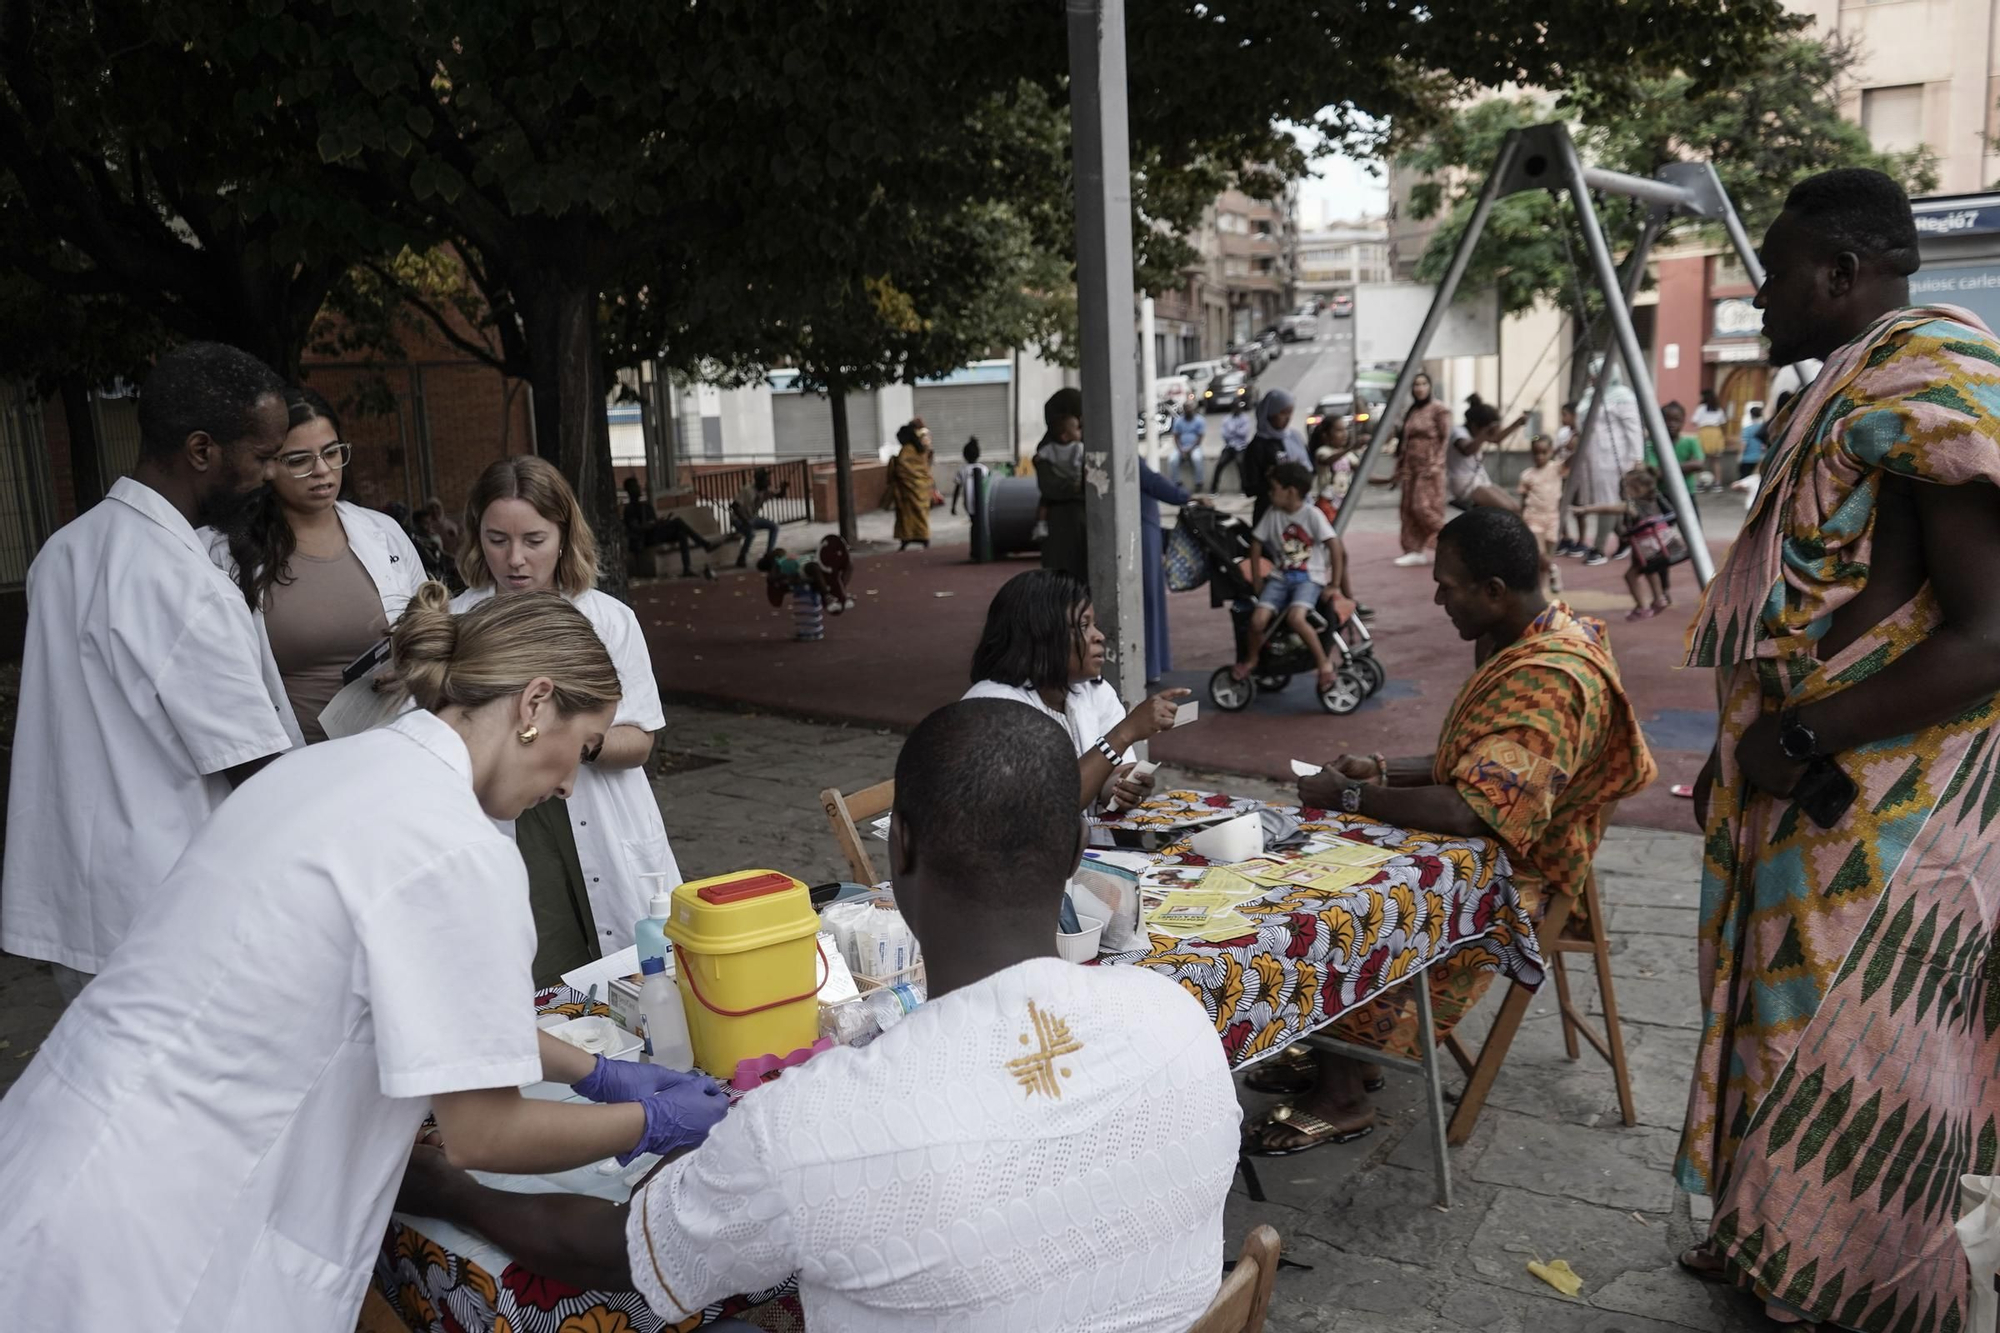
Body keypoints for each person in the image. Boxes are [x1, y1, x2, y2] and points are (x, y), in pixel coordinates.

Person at [0, 586, 727, 1333]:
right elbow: (486, 1132)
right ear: (535, 703)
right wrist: (646, 1118)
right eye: (576, 749)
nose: (570, 781)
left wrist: (595, 1072)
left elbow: (441, 1008)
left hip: (56, 1151)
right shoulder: (456, 845)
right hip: (160, 1232)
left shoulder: (326, 770)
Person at [395, 701, 1242, 1328]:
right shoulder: (1178, 1020)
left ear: (897, 851)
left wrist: (444, 1188)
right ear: (1072, 850)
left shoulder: (814, 1124)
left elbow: (610, 1252)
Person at [1677, 167, 2000, 1333]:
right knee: (1780, 1037)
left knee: (1866, 1064)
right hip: (1810, 792)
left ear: (1838, 271)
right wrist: (1753, 746)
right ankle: (1771, 1242)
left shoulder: (1932, 384)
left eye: (1773, 269)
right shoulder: (1854, 387)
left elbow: (1984, 636)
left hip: (1887, 816)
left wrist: (1796, 732)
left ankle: (1857, 1290)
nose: (1758, 293)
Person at [1244, 509, 1654, 1153]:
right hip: (1498, 839)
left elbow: (1479, 810)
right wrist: (1381, 770)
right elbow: (1485, 768)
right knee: (1325, 852)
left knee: (1350, 896)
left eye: (1447, 586)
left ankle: (1343, 1090)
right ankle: (1345, 1049)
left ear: (1494, 591)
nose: (1437, 599)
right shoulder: (1543, 635)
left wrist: (1354, 793)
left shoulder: (1549, 678)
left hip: (1521, 871)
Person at [1, 341, 293, 1001]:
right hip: (168, 912)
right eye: (265, 456)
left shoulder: (64, 550)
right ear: (201, 451)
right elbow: (256, 768)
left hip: (85, 902)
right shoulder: (182, 580)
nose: (273, 474)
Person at [456, 456, 679, 980]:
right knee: (538, 977)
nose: (514, 560)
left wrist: (572, 744)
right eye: (497, 539)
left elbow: (641, 740)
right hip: (504, 821)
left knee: (637, 978)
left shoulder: (609, 620)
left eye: (534, 540)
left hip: (599, 810)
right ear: (475, 536)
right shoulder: (456, 625)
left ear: (563, 535)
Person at [208, 386, 427, 746]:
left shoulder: (383, 532)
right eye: (299, 460)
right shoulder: (225, 552)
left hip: (393, 746)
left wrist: (419, 673)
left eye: (332, 453)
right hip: (293, 762)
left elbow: (433, 630)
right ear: (266, 466)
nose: (322, 470)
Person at [965, 569, 1188, 812]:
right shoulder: (994, 706)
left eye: (1094, 625)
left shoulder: (1094, 691)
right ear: (1041, 636)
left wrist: (1122, 786)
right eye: (1083, 626)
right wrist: (1124, 734)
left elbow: (1107, 779)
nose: (1099, 636)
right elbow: (1051, 807)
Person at [1231, 461, 1341, 692]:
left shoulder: (1312, 515)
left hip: (1309, 578)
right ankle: (1252, 659)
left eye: (1274, 488)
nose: (1270, 494)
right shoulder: (1273, 514)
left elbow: (1335, 546)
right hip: (1280, 577)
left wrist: (1334, 583)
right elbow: (1256, 544)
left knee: (1296, 618)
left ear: (1290, 491)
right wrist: (1258, 580)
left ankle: (1324, 664)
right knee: (1257, 620)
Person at [1577, 467, 1676, 620]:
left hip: (1647, 548)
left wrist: (1585, 510)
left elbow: (1608, 508)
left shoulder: (1633, 505)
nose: (1621, 492)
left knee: (1630, 576)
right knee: (1651, 569)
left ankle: (1642, 607)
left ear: (1635, 490)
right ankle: (1659, 598)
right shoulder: (1654, 500)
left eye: (1623, 488)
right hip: (1662, 545)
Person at [1569, 378, 1647, 567]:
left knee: (1609, 501)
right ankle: (1625, 539)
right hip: (1593, 458)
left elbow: (1633, 428)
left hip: (1615, 457)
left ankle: (1599, 548)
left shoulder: (1622, 397)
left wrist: (1637, 457)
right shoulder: (1590, 396)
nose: (1593, 378)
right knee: (1606, 502)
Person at [1138, 457, 1197, 683]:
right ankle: (1152, 663)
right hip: (1143, 529)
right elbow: (1153, 482)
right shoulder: (1122, 450)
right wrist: (1186, 496)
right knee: (1149, 598)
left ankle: (1151, 663)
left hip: (1144, 527)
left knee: (1148, 598)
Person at [1391, 371, 1455, 566]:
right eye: (1416, 384)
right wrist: (1400, 465)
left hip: (1430, 467)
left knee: (1423, 507)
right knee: (1408, 509)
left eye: (1423, 384)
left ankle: (1451, 541)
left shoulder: (1439, 410)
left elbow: (1445, 439)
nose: (1419, 388)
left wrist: (1436, 464)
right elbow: (1405, 441)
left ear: (1430, 386)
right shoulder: (1412, 411)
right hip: (1410, 466)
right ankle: (1413, 549)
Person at [1034, 386, 1089, 582]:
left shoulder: (1086, 440)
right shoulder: (1048, 447)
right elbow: (1050, 487)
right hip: (1064, 521)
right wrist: (1076, 487)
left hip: (1072, 521)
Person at [622, 475, 719, 580]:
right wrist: (653, 524)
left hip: (655, 534)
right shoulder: (630, 509)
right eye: (635, 487)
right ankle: (705, 544)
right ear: (629, 490)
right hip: (645, 538)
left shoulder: (646, 506)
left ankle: (687, 568)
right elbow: (636, 528)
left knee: (681, 533)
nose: (638, 488)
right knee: (678, 522)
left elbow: (654, 522)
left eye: (638, 486)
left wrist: (661, 522)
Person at [1447, 400, 1527, 513]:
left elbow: (1496, 439)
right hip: (1465, 483)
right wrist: (1484, 434)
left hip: (1479, 479)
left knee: (1515, 508)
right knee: (1508, 510)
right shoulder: (1458, 432)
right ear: (1475, 426)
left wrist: (1516, 424)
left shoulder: (1476, 433)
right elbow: (1467, 450)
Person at [1241, 386, 1306, 525]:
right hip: (1269, 514)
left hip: (1296, 510)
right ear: (1270, 413)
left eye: (1290, 413)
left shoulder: (1293, 438)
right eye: (1283, 413)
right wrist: (1273, 482)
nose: (1287, 418)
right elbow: (1249, 487)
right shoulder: (1257, 446)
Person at [1516, 433, 1565, 594]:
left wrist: (1572, 441)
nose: (1540, 456)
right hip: (1533, 517)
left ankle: (1541, 591)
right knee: (1539, 554)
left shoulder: (1556, 468)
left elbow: (1573, 460)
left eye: (1544, 452)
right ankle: (1553, 569)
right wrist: (1520, 518)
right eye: (1536, 452)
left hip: (1552, 518)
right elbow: (1523, 499)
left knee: (1544, 560)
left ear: (1551, 451)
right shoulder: (1527, 474)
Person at [888, 420, 933, 551]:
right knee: (921, 514)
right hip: (922, 487)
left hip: (907, 489)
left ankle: (907, 538)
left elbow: (902, 468)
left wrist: (893, 462)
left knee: (907, 516)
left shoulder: (906, 450)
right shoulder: (920, 449)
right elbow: (924, 467)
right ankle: (923, 537)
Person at [1646, 401, 1709, 491]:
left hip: (1687, 491)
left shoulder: (1691, 441)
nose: (1672, 424)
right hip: (1662, 493)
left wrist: (1665, 470)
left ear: (1683, 421)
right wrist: (1686, 467)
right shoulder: (1652, 444)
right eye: (1667, 420)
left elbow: (1698, 464)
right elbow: (1655, 472)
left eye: (1676, 420)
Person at [730, 467, 786, 568]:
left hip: (751, 518)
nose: (769, 481)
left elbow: (779, 496)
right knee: (750, 534)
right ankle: (741, 557)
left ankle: (768, 555)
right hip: (738, 519)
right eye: (766, 479)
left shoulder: (765, 491)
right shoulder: (747, 490)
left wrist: (784, 488)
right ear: (759, 480)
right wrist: (745, 520)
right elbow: (735, 506)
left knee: (774, 527)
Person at [1212, 397, 1255, 490]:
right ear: (1233, 408)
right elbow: (1224, 435)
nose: (1238, 409)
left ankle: (1244, 488)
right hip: (1230, 446)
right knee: (1220, 464)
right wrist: (1236, 431)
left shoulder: (1245, 418)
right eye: (1236, 407)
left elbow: (1244, 434)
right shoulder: (1227, 419)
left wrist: (1233, 430)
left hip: (1241, 446)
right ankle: (1213, 488)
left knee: (1240, 463)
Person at [1168, 396, 1207, 489]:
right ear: (1184, 410)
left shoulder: (1200, 420)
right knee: (1172, 460)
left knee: (1197, 458)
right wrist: (1181, 449)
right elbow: (1176, 437)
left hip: (1194, 447)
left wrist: (1190, 449)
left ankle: (1199, 482)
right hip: (1181, 447)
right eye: (1186, 409)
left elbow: (1200, 437)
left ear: (1194, 409)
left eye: (1190, 408)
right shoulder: (1178, 421)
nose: (1188, 410)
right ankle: (1176, 483)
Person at [1691, 387, 1728, 470]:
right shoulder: (1718, 409)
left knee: (1701, 457)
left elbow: (1694, 420)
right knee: (1716, 460)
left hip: (1704, 431)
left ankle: (1700, 479)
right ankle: (1717, 480)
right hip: (1716, 432)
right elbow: (1723, 422)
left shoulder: (1701, 408)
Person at [1735, 403, 1766, 482]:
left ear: (1750, 415)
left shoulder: (1747, 429)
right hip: (1760, 458)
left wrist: (1740, 456)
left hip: (1747, 459)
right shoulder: (1764, 429)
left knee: (1744, 480)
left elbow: (1744, 443)